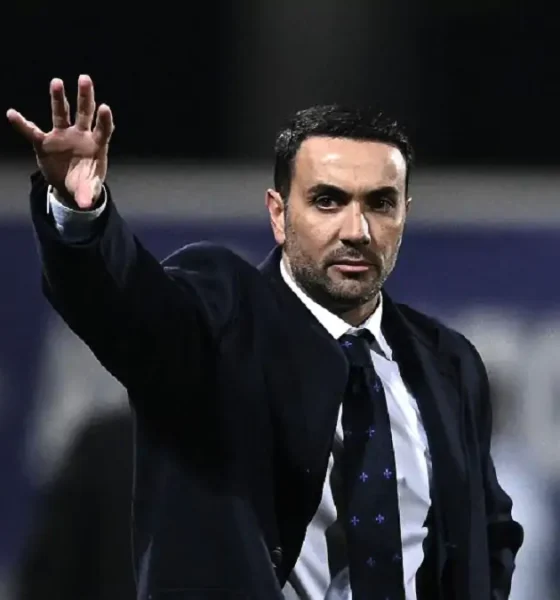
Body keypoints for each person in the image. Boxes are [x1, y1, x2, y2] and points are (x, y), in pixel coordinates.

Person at [7, 75, 523, 600]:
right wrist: (81, 213)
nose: (356, 231)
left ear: (404, 213)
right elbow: (128, 308)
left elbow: (487, 534)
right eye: (328, 201)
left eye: (380, 203)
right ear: (279, 213)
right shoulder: (225, 315)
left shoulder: (448, 362)